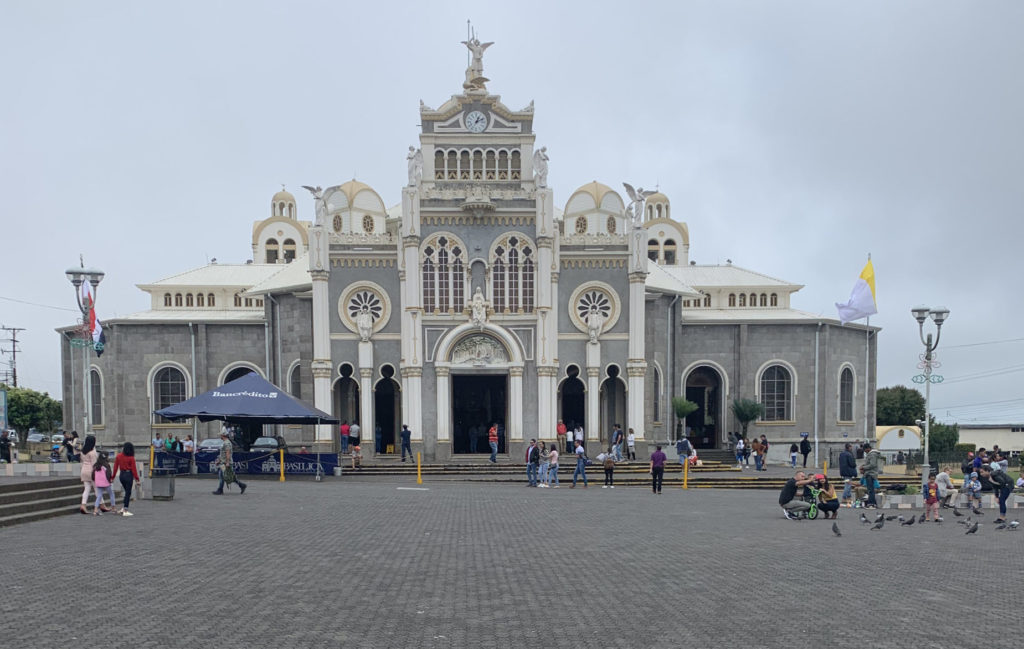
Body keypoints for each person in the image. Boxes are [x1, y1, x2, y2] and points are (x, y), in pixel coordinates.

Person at [111, 442, 140, 517]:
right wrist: (137, 479)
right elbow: (134, 470)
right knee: (128, 492)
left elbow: (115, 468)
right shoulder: (131, 458)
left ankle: (124, 507)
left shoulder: (118, 456)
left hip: (122, 475)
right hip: (128, 475)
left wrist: (112, 477)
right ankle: (125, 509)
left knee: (127, 492)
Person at [79, 435, 100, 515]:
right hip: (91, 471)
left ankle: (83, 505)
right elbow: (95, 464)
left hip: (84, 470)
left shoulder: (83, 451)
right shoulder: (93, 452)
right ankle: (99, 506)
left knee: (86, 489)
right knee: (97, 489)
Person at [859, 443, 883, 508]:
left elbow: (873, 465)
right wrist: (863, 466)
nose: (865, 452)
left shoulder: (872, 454)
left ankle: (871, 503)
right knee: (870, 489)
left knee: (870, 490)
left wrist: (863, 467)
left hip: (870, 473)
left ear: (868, 448)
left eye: (865, 450)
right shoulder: (872, 454)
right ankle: (872, 503)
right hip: (870, 473)